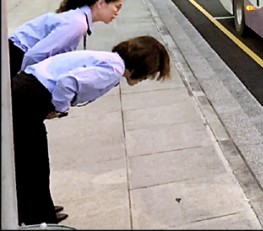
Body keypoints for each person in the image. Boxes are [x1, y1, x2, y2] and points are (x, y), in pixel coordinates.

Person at [12, 35, 171, 226]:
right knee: (32, 164)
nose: (144, 79)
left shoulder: (110, 60)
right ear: (140, 66)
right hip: (28, 99)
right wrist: (59, 109)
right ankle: (38, 219)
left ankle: (41, 209)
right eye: (148, 74)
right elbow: (68, 82)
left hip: (27, 91)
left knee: (34, 162)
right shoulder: (113, 70)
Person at [8, 0, 126, 75]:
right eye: (117, 7)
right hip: (15, 56)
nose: (117, 13)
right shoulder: (77, 23)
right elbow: (34, 55)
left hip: (16, 55)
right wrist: (22, 80)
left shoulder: (79, 18)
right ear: (101, 3)